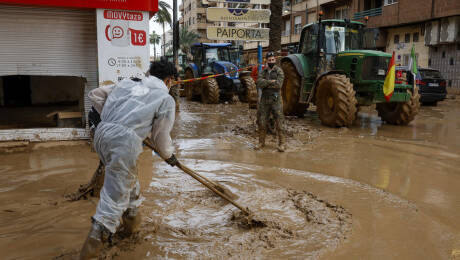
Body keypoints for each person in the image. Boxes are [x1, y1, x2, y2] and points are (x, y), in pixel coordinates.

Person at [80, 60, 178, 259]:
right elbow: (161, 136)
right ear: (168, 80)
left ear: (150, 73)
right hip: (124, 142)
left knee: (126, 182)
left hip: (102, 133)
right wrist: (169, 156)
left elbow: (96, 95)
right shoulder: (165, 99)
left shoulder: (127, 84)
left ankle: (131, 227)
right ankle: (93, 244)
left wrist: (114, 119)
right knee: (114, 197)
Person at [256, 52, 286, 152]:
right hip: (264, 99)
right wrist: (270, 82)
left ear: (275, 60)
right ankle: (261, 142)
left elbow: (278, 85)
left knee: (279, 121)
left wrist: (266, 83)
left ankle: (281, 144)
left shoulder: (279, 71)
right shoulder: (263, 72)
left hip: (276, 99)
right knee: (262, 121)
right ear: (266, 61)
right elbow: (259, 83)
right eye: (270, 60)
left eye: (273, 60)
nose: (271, 62)